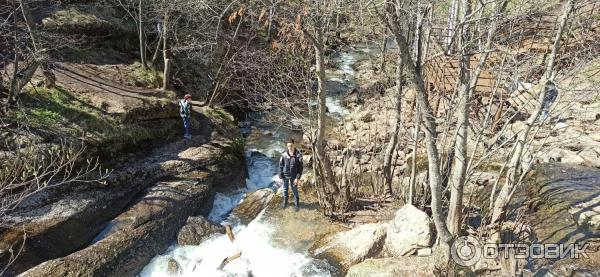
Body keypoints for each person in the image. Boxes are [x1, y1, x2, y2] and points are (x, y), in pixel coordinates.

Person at [279, 139, 303, 212]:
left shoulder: (298, 155)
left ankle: (296, 204)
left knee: (294, 189)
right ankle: (285, 202)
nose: (290, 147)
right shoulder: (283, 154)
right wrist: (280, 174)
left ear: (294, 145)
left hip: (294, 176)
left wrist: (297, 178)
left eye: (291, 146)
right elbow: (281, 165)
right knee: (285, 189)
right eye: (288, 146)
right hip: (285, 175)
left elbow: (300, 168)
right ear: (287, 146)